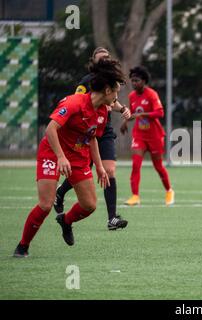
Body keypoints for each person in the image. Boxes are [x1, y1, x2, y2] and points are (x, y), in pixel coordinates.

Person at [13, 58, 126, 257]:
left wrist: (99, 167)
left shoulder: (102, 112)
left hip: (77, 155)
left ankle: (66, 221)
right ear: (107, 90)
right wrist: (60, 157)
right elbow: (50, 129)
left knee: (89, 205)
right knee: (46, 205)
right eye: (116, 92)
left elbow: (92, 139)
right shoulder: (74, 102)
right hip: (52, 151)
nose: (117, 97)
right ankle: (23, 246)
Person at [53, 47, 131, 231]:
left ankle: (112, 218)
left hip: (104, 131)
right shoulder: (86, 82)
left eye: (106, 58)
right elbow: (78, 101)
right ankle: (60, 193)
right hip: (86, 132)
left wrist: (121, 109)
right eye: (100, 59)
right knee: (83, 170)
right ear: (94, 61)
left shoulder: (111, 84)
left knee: (109, 171)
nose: (104, 61)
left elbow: (113, 99)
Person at [120, 66, 175, 206]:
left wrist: (143, 115)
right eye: (132, 80)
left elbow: (160, 113)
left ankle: (169, 191)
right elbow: (132, 113)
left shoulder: (151, 94)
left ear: (144, 81)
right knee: (136, 165)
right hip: (139, 135)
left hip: (155, 136)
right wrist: (125, 122)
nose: (134, 83)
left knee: (158, 166)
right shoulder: (132, 96)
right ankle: (135, 196)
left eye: (136, 80)